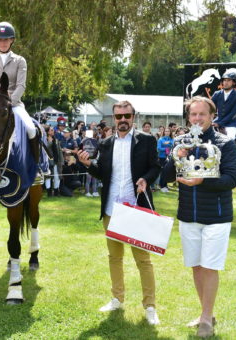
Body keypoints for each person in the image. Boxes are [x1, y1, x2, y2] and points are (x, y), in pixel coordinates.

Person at [77, 100, 161, 325]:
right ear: (113, 118)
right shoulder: (105, 144)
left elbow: (156, 166)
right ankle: (117, 298)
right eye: (118, 116)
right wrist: (86, 165)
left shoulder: (147, 140)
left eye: (127, 116)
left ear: (133, 116)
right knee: (114, 258)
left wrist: (146, 179)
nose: (123, 120)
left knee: (143, 260)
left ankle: (150, 306)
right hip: (111, 210)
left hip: (136, 208)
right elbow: (103, 174)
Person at [165, 96, 236, 338]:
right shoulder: (180, 141)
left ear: (212, 116)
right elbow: (166, 174)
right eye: (193, 114)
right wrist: (177, 155)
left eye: (202, 114)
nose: (197, 118)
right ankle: (205, 312)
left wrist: (202, 181)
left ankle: (206, 319)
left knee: (209, 267)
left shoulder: (225, 143)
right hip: (188, 214)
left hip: (216, 216)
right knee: (196, 266)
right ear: (188, 117)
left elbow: (231, 179)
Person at [0, 22, 36, 140]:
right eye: (0, 40)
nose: (3, 43)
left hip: (14, 104)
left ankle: (36, 158)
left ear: (11, 40)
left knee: (31, 129)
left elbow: (21, 85)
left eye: (6, 39)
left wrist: (9, 103)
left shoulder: (20, 61)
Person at [211, 72, 236, 139]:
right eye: (224, 80)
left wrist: (219, 124)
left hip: (231, 124)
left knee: (230, 139)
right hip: (217, 120)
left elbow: (233, 113)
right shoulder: (217, 94)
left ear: (234, 83)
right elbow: (210, 108)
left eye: (229, 80)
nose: (226, 82)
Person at [44, 125, 63, 197]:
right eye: (51, 130)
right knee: (48, 177)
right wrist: (50, 142)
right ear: (48, 132)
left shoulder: (56, 139)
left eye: (53, 130)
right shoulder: (44, 139)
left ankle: (56, 192)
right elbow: (44, 149)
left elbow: (60, 151)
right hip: (48, 162)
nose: (53, 131)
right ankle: (49, 193)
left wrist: (62, 161)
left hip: (56, 161)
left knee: (57, 177)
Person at [157, 128, 174, 193]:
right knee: (163, 171)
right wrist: (167, 148)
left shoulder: (171, 139)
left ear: (170, 132)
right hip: (162, 157)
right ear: (164, 132)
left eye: (168, 131)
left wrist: (169, 144)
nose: (167, 132)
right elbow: (158, 148)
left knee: (167, 172)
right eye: (166, 131)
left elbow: (173, 145)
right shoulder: (160, 139)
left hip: (169, 157)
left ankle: (165, 185)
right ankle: (162, 186)